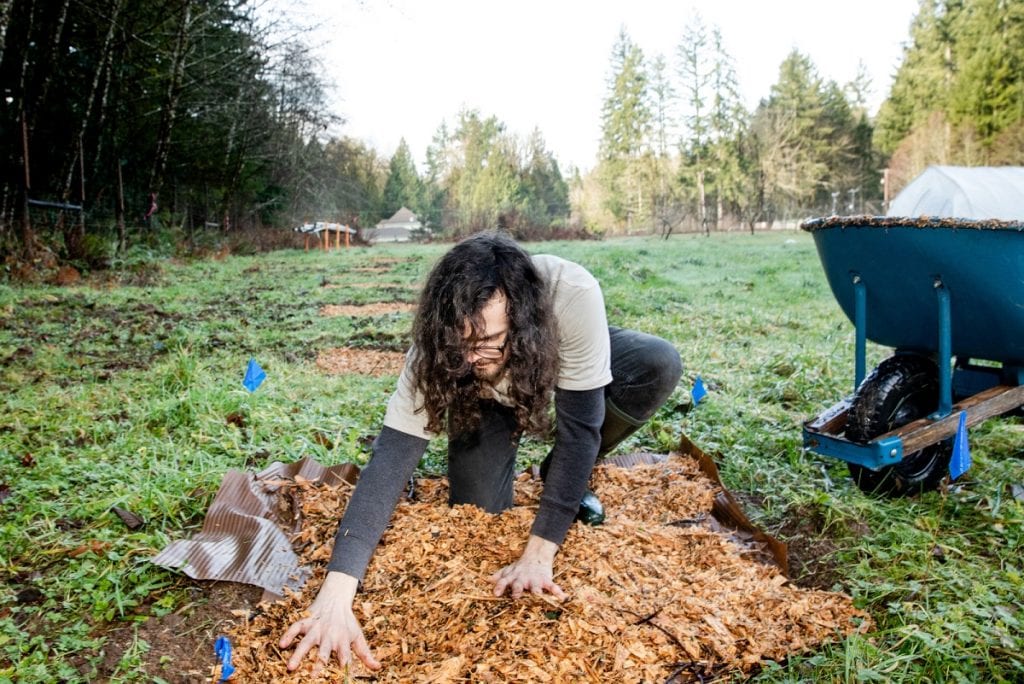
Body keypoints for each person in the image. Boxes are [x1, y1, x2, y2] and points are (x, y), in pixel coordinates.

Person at [279, 230, 682, 672]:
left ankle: (557, 475)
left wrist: (538, 555)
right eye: (461, 343)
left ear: (519, 317)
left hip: (553, 353)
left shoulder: (572, 293)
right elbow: (391, 458)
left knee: (656, 363)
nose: (473, 355)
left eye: (488, 339)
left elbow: (580, 430)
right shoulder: (443, 348)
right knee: (477, 508)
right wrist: (336, 595)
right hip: (487, 399)